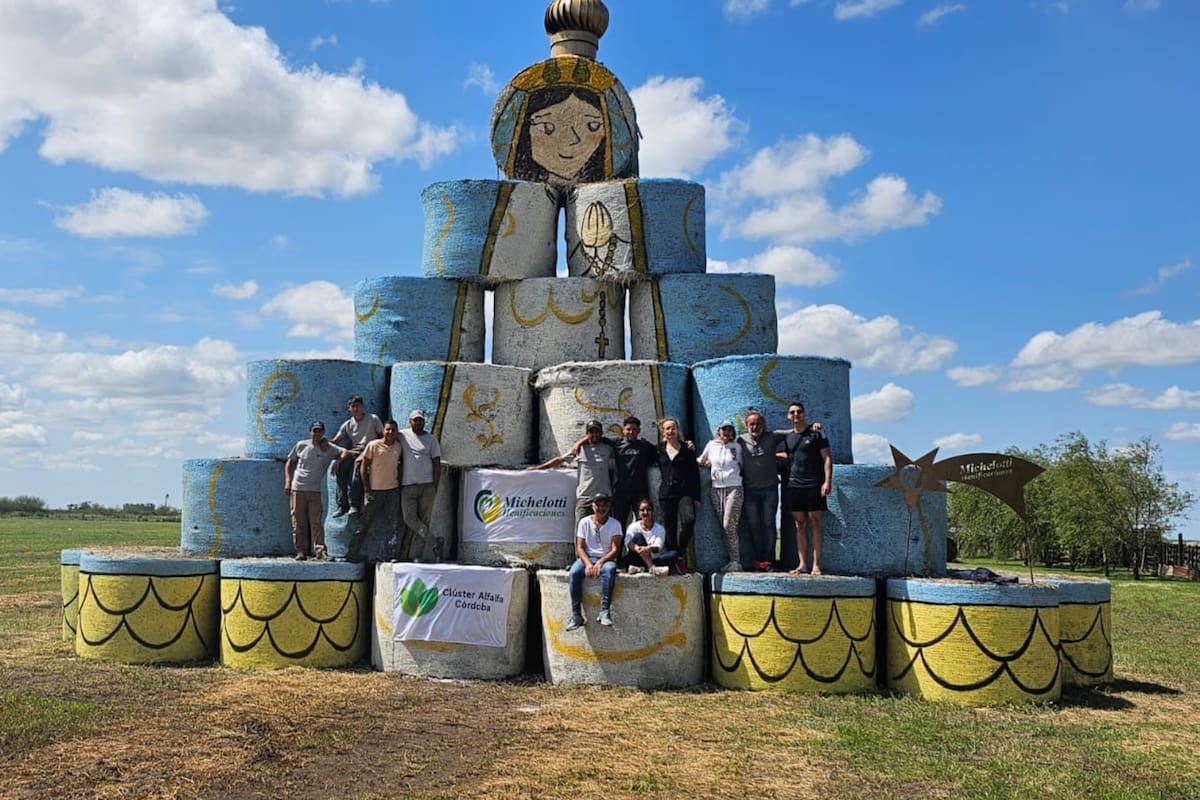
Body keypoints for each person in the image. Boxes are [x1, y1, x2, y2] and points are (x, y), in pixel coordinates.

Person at [569, 416, 657, 528]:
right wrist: (579, 443)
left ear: (639, 431)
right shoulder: (616, 443)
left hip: (640, 492)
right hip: (621, 492)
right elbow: (595, 437)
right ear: (623, 430)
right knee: (619, 524)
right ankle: (618, 546)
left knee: (642, 523)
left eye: (634, 429)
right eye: (628, 429)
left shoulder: (645, 446)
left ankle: (640, 546)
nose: (631, 432)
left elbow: (663, 451)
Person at [528, 419, 616, 528]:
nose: (594, 435)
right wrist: (539, 468)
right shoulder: (580, 449)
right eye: (591, 432)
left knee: (606, 529)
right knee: (581, 529)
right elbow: (561, 460)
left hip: (604, 497)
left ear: (601, 433)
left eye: (597, 432)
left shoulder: (608, 449)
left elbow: (614, 469)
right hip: (585, 496)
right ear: (586, 433)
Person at [778, 402, 833, 576]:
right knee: (799, 525)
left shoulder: (816, 433)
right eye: (792, 412)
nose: (796, 415)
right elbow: (789, 456)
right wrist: (769, 455)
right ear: (788, 416)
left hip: (814, 484)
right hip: (794, 485)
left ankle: (816, 565)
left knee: (816, 523)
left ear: (804, 414)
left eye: (799, 412)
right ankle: (802, 564)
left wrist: (827, 481)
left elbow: (827, 458)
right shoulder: (788, 437)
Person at [283, 421, 351, 560]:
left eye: (319, 431)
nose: (317, 434)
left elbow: (346, 452)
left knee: (316, 522)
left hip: (314, 490)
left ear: (323, 433)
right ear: (310, 432)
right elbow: (290, 462)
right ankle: (301, 551)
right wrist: (288, 481)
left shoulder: (329, 448)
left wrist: (338, 462)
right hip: (298, 488)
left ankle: (320, 551)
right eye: (314, 431)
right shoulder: (301, 445)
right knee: (298, 521)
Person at [565, 492, 624, 630]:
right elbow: (579, 547)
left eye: (604, 505)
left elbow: (615, 549)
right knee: (574, 572)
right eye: (598, 505)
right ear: (593, 506)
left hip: (606, 558)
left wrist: (600, 563)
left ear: (608, 507)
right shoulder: (584, 522)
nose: (601, 508)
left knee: (609, 570)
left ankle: (604, 611)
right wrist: (588, 564)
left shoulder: (615, 524)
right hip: (587, 557)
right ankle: (576, 615)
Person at [346, 419, 402, 563]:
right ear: (383, 430)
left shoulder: (398, 447)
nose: (390, 432)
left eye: (393, 430)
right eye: (388, 429)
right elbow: (363, 467)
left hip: (392, 491)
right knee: (364, 523)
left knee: (392, 524)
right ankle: (352, 553)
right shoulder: (373, 445)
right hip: (374, 491)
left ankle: (391, 555)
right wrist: (367, 489)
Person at [699, 420, 745, 573]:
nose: (727, 433)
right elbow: (700, 459)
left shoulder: (736, 447)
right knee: (725, 528)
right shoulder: (711, 445)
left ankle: (736, 561)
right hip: (716, 488)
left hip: (734, 487)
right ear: (718, 431)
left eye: (730, 430)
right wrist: (705, 462)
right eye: (724, 430)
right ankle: (732, 560)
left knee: (728, 525)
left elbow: (743, 465)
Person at [656, 416, 700, 575]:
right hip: (666, 494)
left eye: (673, 428)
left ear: (677, 430)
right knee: (670, 529)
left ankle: (680, 554)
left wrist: (697, 497)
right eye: (667, 428)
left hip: (685, 492)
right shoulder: (658, 449)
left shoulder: (687, 449)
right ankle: (673, 561)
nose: (670, 431)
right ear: (663, 432)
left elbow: (695, 473)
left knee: (689, 519)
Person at [328, 395, 383, 517]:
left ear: (362, 406)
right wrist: (321, 442)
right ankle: (342, 505)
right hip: (355, 450)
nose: (356, 409)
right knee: (340, 466)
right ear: (349, 409)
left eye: (358, 406)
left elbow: (382, 436)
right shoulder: (348, 424)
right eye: (353, 406)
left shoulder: (372, 419)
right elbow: (336, 440)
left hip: (370, 448)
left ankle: (355, 504)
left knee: (358, 469)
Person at [399, 409, 443, 562]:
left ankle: (419, 556)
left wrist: (435, 485)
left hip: (427, 486)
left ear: (424, 422)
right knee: (410, 518)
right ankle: (435, 542)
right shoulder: (402, 435)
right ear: (410, 421)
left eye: (420, 420)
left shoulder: (431, 440)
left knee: (425, 520)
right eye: (415, 420)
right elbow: (385, 435)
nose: (418, 422)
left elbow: (437, 464)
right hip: (408, 485)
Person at [621, 499, 674, 576]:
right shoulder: (633, 527)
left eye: (648, 509)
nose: (645, 512)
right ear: (638, 513)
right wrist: (636, 548)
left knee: (673, 555)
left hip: (653, 558)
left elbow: (658, 547)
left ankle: (642, 568)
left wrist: (648, 549)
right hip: (636, 558)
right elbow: (628, 543)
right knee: (638, 537)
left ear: (652, 512)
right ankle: (651, 567)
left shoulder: (660, 528)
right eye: (642, 510)